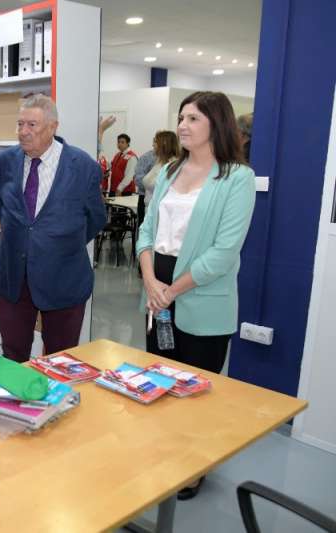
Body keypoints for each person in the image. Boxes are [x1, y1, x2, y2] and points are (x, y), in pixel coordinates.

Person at [136, 91, 255, 500]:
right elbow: (146, 230)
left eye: (192, 119)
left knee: (194, 389)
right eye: (181, 117)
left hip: (200, 294)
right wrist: (151, 282)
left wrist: (171, 290)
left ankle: (190, 468)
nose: (182, 125)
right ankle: (160, 452)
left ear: (215, 125)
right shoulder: (170, 170)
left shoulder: (236, 178)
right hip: (158, 288)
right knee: (158, 380)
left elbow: (222, 253)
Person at [0, 94, 107, 362]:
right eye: (20, 124)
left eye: (32, 125)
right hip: (13, 279)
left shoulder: (83, 167)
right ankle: (17, 404)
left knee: (61, 360)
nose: (23, 132)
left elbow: (95, 219)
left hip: (64, 279)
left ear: (53, 127)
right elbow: (2, 210)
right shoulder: (5, 162)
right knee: (13, 355)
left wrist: (58, 243)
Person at [142, 130, 180, 206]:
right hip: (150, 206)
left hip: (162, 209)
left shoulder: (173, 164)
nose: (153, 145)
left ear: (164, 144)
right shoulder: (159, 162)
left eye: (155, 142)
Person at [133, 146, 155, 225]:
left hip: (164, 200)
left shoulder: (174, 158)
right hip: (146, 198)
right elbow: (138, 179)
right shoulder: (147, 157)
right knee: (144, 226)